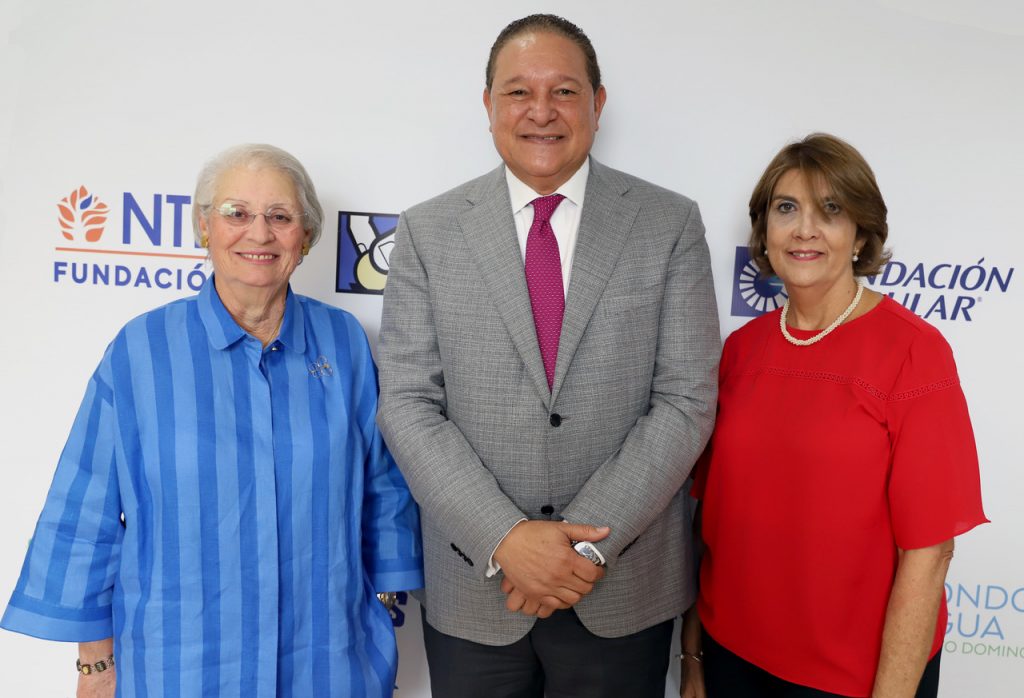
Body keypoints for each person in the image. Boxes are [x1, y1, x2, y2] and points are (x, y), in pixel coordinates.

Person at [376, 13, 720, 698]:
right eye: (518, 93)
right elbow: (410, 404)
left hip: (620, 586)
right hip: (478, 589)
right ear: (488, 106)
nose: (541, 112)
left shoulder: (668, 224)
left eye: (564, 91)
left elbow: (685, 401)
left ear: (597, 103)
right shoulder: (428, 231)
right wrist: (506, 538)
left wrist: (578, 548)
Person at [1, 144, 423, 698]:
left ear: (307, 237)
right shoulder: (141, 350)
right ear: (204, 227)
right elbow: (86, 509)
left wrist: (384, 607)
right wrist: (95, 666)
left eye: (279, 216)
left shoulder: (343, 342)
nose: (259, 233)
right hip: (180, 663)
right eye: (236, 214)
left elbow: (383, 485)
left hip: (326, 657)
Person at [684, 133, 988, 698]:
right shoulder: (740, 350)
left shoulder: (913, 352)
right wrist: (694, 658)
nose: (804, 229)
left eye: (830, 210)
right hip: (732, 658)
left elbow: (928, 554)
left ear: (860, 234)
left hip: (853, 678)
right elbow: (710, 528)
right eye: (786, 209)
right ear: (764, 233)